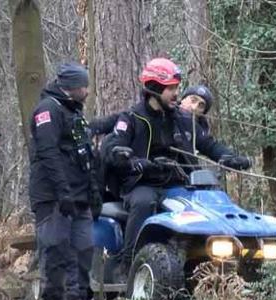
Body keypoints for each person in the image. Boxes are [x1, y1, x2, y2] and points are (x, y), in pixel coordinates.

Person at [107, 58, 252, 275]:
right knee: (143, 203)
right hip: (141, 183)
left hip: (179, 184)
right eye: (170, 89)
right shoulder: (131, 118)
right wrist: (130, 159)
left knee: (211, 201)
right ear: (154, 88)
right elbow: (114, 147)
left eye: (176, 88)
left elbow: (209, 145)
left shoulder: (183, 119)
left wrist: (230, 157)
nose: (176, 94)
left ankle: (220, 262)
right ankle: (129, 265)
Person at [29, 62, 101, 300]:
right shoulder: (47, 110)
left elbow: (86, 156)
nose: (87, 91)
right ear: (71, 87)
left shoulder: (75, 114)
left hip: (78, 196)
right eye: (84, 86)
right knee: (56, 247)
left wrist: (93, 194)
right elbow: (48, 154)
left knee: (84, 247)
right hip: (53, 197)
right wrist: (62, 192)